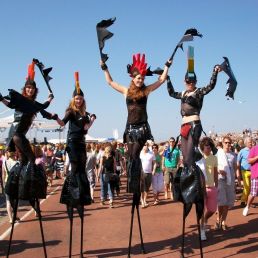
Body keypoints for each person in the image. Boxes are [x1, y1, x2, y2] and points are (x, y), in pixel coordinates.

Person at [56, 71, 96, 257]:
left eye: (80, 98)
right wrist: (55, 118)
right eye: (76, 98)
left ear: (83, 99)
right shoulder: (71, 111)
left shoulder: (84, 114)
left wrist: (92, 120)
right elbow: (63, 123)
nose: (78, 100)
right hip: (72, 143)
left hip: (81, 144)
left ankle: (81, 198)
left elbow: (86, 129)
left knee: (81, 172)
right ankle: (69, 199)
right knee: (74, 171)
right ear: (73, 99)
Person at [167, 59, 222, 167]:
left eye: (193, 82)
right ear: (184, 81)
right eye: (188, 82)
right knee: (185, 155)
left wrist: (214, 71)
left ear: (196, 82)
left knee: (190, 154)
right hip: (184, 125)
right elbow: (171, 93)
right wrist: (167, 79)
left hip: (194, 124)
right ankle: (190, 176)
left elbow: (210, 86)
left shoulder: (199, 92)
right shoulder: (183, 93)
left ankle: (196, 178)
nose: (190, 84)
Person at [197, 137, 218, 241]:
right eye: (207, 147)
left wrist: (216, 186)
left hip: (212, 188)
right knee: (201, 210)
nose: (209, 149)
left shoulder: (214, 158)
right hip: (202, 188)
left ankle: (205, 220)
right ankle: (202, 231)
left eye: (210, 147)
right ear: (202, 148)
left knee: (212, 210)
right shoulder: (199, 158)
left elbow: (215, 172)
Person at [216, 136, 236, 230]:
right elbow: (213, 168)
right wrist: (220, 171)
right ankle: (218, 220)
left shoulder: (233, 155)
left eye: (229, 143)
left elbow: (235, 168)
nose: (228, 144)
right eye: (226, 142)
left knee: (227, 202)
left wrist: (237, 180)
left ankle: (223, 222)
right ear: (223, 143)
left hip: (230, 181)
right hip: (221, 180)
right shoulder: (218, 154)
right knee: (221, 202)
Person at [2, 150, 19, 223]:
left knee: (8, 201)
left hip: (7, 183)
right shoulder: (17, 163)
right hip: (15, 183)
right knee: (15, 200)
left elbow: (3, 174)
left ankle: (10, 218)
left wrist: (3, 185)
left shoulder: (4, 162)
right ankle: (15, 215)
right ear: (14, 153)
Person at [243, 143, 258, 216]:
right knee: (253, 193)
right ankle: (247, 206)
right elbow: (249, 161)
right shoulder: (254, 149)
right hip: (256, 174)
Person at [236, 137, 252, 206]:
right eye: (249, 142)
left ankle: (248, 202)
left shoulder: (254, 150)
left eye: (251, 142)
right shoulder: (242, 151)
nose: (251, 143)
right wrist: (238, 171)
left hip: (253, 171)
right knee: (247, 186)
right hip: (244, 171)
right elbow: (238, 162)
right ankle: (243, 200)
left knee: (251, 187)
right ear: (246, 143)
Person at [140, 142, 156, 208]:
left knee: (147, 188)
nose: (145, 146)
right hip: (141, 172)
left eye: (146, 145)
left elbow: (154, 163)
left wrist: (154, 170)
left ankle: (145, 200)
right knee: (141, 187)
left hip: (149, 173)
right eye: (144, 145)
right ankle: (142, 201)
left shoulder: (151, 154)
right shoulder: (140, 153)